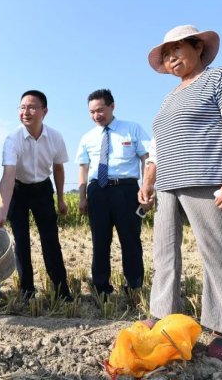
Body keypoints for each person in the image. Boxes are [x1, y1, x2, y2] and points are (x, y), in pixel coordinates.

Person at [138, 25, 222, 361]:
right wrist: (147, 181)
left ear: (198, 47)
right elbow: (157, 147)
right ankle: (162, 314)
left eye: (177, 49)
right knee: (164, 254)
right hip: (167, 185)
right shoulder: (169, 98)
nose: (171, 58)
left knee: (218, 253)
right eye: (166, 54)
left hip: (206, 178)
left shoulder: (220, 78)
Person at [0, 90, 72, 302]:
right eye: (22, 107)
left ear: (44, 111)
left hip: (43, 189)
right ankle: (27, 291)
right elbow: (8, 175)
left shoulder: (55, 137)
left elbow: (58, 168)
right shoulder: (13, 139)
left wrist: (61, 198)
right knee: (21, 241)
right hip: (18, 190)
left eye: (32, 107)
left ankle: (62, 290)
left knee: (50, 240)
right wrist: (2, 211)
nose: (26, 112)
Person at [75, 89, 150, 298]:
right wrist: (82, 197)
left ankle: (134, 286)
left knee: (130, 240)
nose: (96, 115)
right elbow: (83, 168)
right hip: (97, 191)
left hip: (126, 190)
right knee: (100, 241)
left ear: (112, 106)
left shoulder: (132, 129)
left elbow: (147, 158)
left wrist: (146, 187)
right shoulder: (87, 137)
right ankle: (101, 287)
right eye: (92, 112)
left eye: (100, 110)